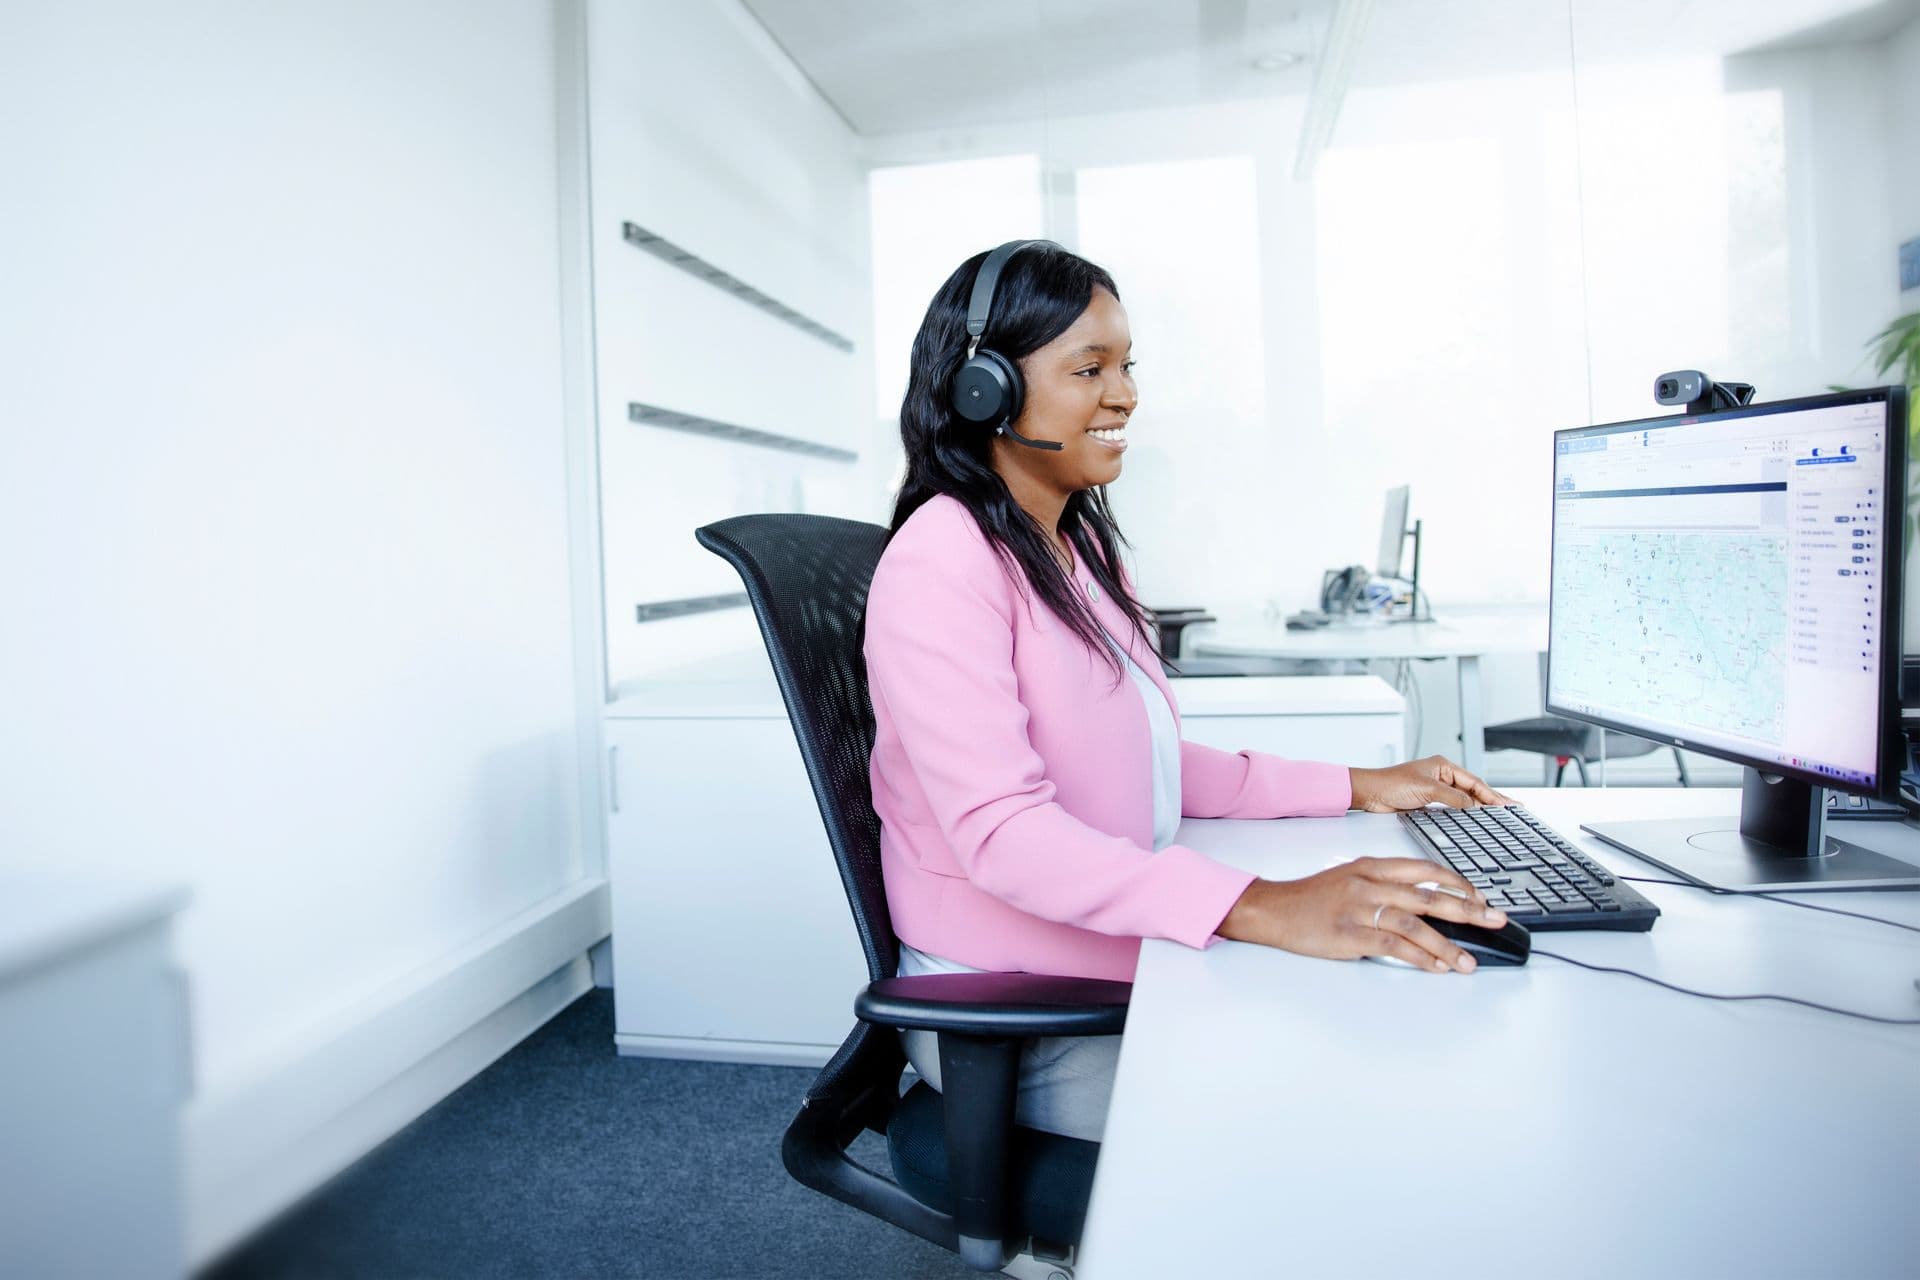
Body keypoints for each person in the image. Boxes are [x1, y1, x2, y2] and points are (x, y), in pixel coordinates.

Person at [862, 241, 1512, 1143]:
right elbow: (1006, 836)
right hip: (1019, 1004)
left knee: (1402, 1014)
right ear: (985, 390)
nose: (1125, 394)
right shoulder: (942, 560)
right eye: (1090, 368)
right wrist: (1263, 905)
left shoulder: (1079, 548)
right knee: (1366, 1095)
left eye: (1127, 366)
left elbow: (1149, 758)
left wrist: (1359, 785)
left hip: (1114, 952)